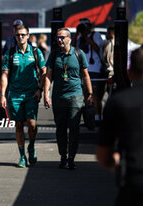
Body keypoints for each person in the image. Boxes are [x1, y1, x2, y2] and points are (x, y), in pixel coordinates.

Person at [96, 45, 143, 206]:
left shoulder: (119, 102)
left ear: (130, 73)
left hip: (134, 183)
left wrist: (115, 163)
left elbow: (102, 156)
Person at [44, 27, 93, 169]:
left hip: (75, 96)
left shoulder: (78, 53)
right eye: (57, 37)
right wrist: (46, 94)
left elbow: (85, 75)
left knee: (74, 127)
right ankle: (63, 156)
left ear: (69, 38)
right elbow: (48, 76)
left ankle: (71, 158)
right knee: (60, 128)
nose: (59, 40)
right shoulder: (54, 55)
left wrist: (90, 94)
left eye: (62, 37)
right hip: (58, 96)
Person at [0, 25, 46, 168]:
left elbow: (44, 72)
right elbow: (5, 75)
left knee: (32, 124)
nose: (20, 37)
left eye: (23, 35)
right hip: (15, 94)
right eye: (18, 35)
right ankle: (22, 156)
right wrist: (2, 95)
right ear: (14, 36)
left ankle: (31, 147)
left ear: (28, 35)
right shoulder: (10, 53)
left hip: (32, 93)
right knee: (19, 124)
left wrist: (40, 89)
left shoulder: (36, 52)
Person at [71, 18, 104, 122]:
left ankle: (97, 117)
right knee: (85, 94)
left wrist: (86, 37)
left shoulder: (96, 35)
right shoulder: (79, 37)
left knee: (93, 93)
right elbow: (71, 48)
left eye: (85, 25)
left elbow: (97, 48)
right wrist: (76, 35)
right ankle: (88, 118)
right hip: (82, 68)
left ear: (90, 26)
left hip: (94, 68)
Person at [102, 26, 114, 95]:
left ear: (110, 33)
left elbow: (103, 58)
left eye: (107, 33)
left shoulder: (107, 43)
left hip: (109, 72)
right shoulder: (123, 43)